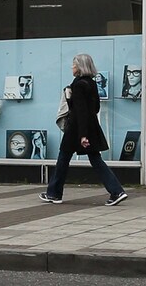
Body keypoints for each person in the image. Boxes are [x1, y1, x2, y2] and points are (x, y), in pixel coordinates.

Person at [39, 52, 128, 207]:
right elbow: (95, 108)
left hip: (76, 129)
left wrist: (82, 135)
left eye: (74, 64)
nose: (71, 67)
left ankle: (54, 193)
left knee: (63, 159)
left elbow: (79, 111)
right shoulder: (92, 83)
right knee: (96, 159)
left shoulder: (78, 85)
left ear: (79, 67)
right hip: (91, 127)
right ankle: (117, 191)